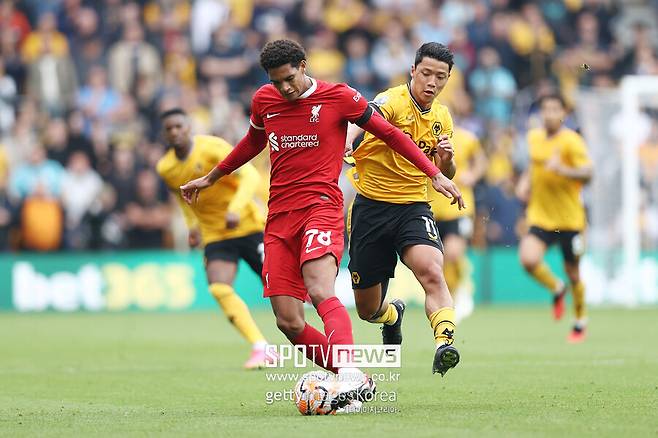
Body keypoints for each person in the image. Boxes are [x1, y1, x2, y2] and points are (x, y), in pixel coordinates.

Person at [180, 39, 462, 404]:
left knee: (319, 290)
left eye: (289, 78)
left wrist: (435, 174)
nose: (284, 88)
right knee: (288, 320)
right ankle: (355, 375)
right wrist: (213, 177)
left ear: (303, 65)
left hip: (322, 207)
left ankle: (347, 373)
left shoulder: (339, 97)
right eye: (276, 81)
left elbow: (389, 133)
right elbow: (252, 142)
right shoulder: (265, 100)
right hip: (279, 216)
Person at [344, 42, 464, 376]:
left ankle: (445, 343)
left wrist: (447, 160)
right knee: (367, 309)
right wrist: (347, 140)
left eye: (441, 77)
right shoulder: (391, 100)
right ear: (413, 70)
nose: (432, 82)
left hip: (413, 206)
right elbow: (363, 119)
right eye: (426, 73)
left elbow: (446, 171)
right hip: (370, 207)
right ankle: (392, 315)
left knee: (432, 271)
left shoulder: (442, 116)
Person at [156, 108, 274, 369]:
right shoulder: (166, 168)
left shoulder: (212, 148)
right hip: (215, 233)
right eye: (169, 128)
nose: (174, 132)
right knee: (219, 287)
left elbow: (249, 176)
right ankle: (261, 347)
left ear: (189, 127)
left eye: (179, 126)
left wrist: (235, 208)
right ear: (164, 134)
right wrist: (193, 226)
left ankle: (319, 340)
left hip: (249, 225)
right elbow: (182, 198)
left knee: (279, 288)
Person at [516, 94, 592, 343]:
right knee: (528, 259)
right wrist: (525, 182)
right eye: (545, 109)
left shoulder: (572, 141)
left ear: (563, 113)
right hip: (541, 216)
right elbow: (533, 165)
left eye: (554, 109)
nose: (549, 114)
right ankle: (556, 288)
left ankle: (580, 320)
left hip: (570, 220)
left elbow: (589, 172)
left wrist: (564, 170)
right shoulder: (534, 137)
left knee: (574, 273)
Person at [429, 126, 487, 322]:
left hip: (459, 206)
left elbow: (481, 161)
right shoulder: (424, 137)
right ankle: (450, 298)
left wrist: (473, 175)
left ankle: (462, 290)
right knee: (441, 260)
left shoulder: (467, 137)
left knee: (454, 252)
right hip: (433, 207)